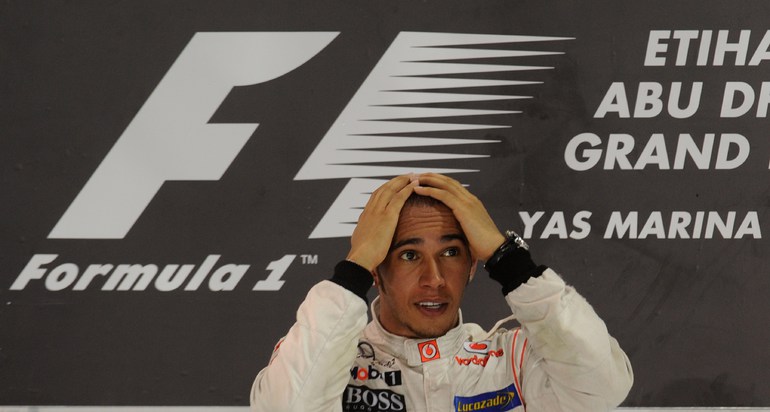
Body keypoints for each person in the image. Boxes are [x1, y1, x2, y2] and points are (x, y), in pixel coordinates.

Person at [250, 173, 633, 411]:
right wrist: (354, 267)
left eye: (451, 253)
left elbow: (602, 387)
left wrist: (508, 259)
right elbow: (285, 407)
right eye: (409, 255)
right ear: (377, 271)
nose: (434, 278)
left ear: (472, 265)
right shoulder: (331, 362)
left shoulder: (513, 362)